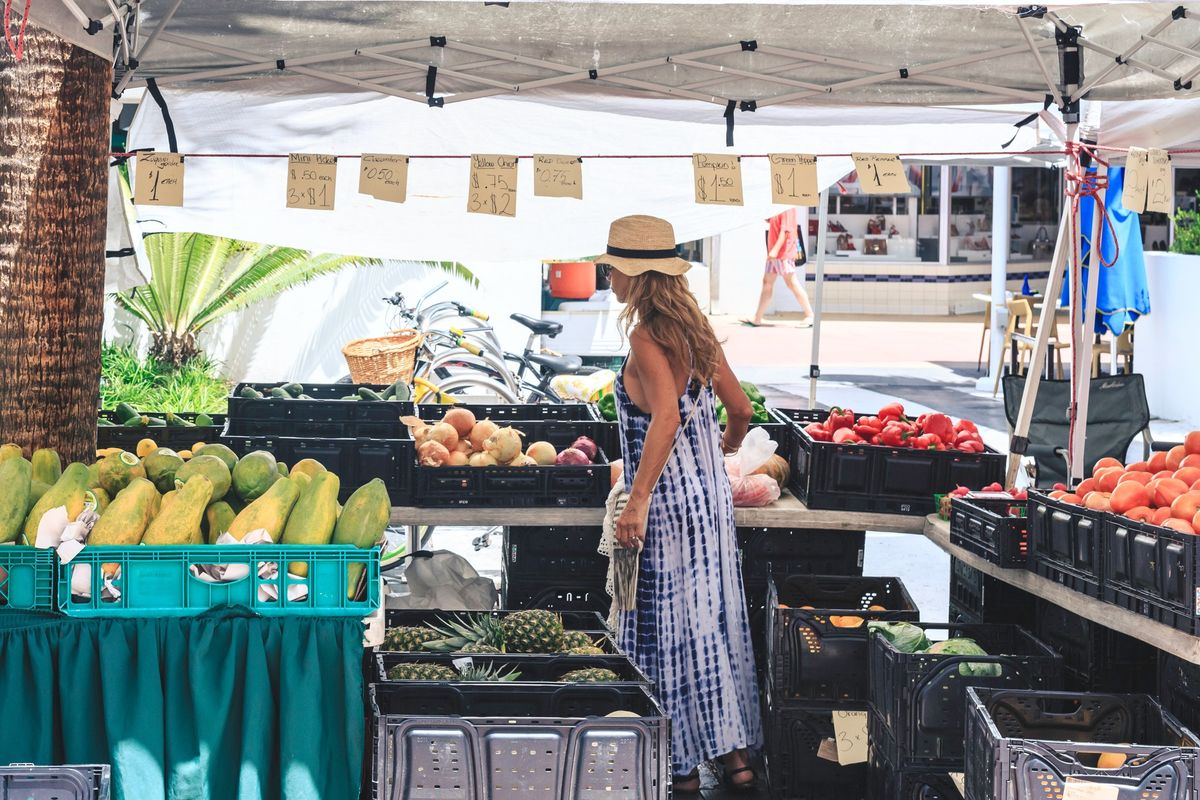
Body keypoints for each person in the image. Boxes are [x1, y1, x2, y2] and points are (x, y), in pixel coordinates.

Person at [598, 214, 763, 794]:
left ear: (633, 276)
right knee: (710, 622)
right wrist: (720, 452)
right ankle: (737, 759)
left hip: (665, 502)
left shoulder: (646, 336)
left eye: (612, 268)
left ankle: (682, 763)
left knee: (664, 626)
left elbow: (663, 417)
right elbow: (740, 410)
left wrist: (638, 498)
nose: (607, 276)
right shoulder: (696, 332)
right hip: (710, 503)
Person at [746, 207, 814, 327]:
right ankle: (757, 318)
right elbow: (776, 224)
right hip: (776, 254)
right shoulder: (778, 205)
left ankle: (810, 315)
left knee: (791, 283)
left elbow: (785, 232)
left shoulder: (787, 206)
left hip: (783, 254)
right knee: (767, 283)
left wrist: (774, 251)